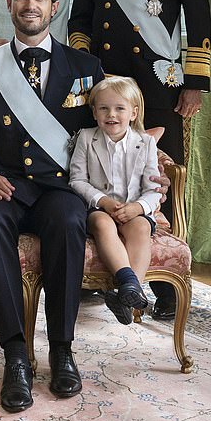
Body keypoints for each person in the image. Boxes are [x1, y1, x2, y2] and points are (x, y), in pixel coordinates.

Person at [68, 0, 211, 320]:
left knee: (161, 177)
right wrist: (86, 75)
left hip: (157, 83)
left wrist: (194, 82)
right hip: (106, 86)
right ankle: (106, 275)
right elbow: (81, 21)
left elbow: (198, 17)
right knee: (102, 171)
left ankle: (164, 287)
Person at [0, 0, 104, 412]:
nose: (30, 5)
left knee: (69, 220)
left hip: (60, 188)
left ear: (55, 6)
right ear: (8, 4)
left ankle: (62, 350)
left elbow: (105, 135)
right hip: (4, 185)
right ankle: (15, 355)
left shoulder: (87, 67)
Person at [69, 76, 159, 325]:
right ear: (95, 112)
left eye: (120, 108)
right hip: (100, 209)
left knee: (141, 227)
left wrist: (138, 208)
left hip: (133, 211)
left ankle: (130, 291)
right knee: (101, 224)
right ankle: (128, 282)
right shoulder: (86, 138)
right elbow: (77, 180)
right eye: (104, 108)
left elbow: (153, 189)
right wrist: (103, 201)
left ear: (133, 113)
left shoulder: (146, 143)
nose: (112, 114)